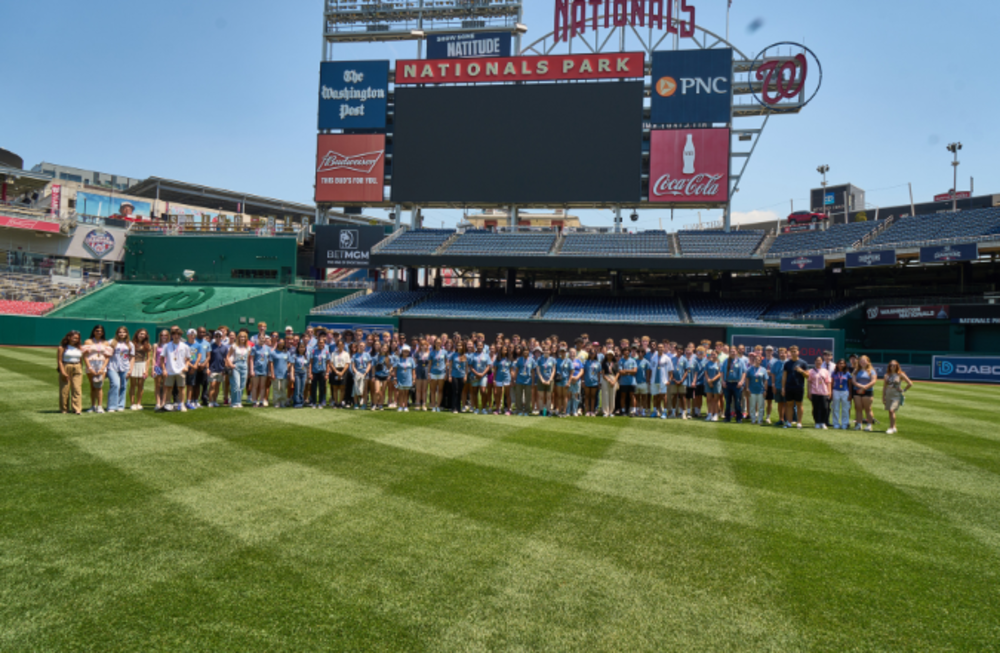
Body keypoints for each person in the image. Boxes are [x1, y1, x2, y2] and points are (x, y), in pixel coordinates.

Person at [162, 326, 191, 412]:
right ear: (171, 335)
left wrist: (186, 366)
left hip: (181, 370)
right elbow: (161, 358)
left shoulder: (185, 346)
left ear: (180, 335)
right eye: (174, 334)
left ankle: (182, 404)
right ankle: (168, 404)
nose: (176, 336)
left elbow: (189, 358)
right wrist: (164, 369)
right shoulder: (166, 346)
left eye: (178, 334)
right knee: (168, 388)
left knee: (181, 388)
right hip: (169, 370)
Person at [105, 326, 133, 413]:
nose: (122, 334)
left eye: (124, 332)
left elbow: (132, 357)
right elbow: (106, 354)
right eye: (120, 332)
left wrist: (130, 369)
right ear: (117, 333)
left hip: (125, 367)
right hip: (112, 366)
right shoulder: (111, 342)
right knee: (115, 384)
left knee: (123, 386)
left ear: (127, 334)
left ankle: (120, 405)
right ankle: (112, 406)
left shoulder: (130, 344)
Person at [83, 325, 110, 413]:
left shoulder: (105, 342)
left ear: (103, 333)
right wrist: (89, 367)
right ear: (94, 331)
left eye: (101, 331)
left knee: (99, 386)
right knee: (92, 386)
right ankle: (93, 406)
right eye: (97, 330)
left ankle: (100, 406)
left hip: (101, 364)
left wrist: (103, 367)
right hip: (91, 364)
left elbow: (107, 356)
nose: (99, 332)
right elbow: (85, 355)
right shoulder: (88, 341)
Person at [781, 346, 809, 429]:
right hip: (789, 387)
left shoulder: (803, 363)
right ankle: (789, 422)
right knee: (789, 404)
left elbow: (807, 376)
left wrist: (801, 371)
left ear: (798, 352)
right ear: (790, 353)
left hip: (799, 387)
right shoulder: (787, 363)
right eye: (792, 351)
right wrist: (783, 388)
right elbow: (784, 377)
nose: (793, 353)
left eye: (795, 351)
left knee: (799, 404)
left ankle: (799, 423)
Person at [57, 330, 84, 415]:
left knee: (77, 389)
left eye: (77, 338)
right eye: (74, 337)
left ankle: (77, 409)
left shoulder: (79, 347)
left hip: (77, 367)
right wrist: (63, 372)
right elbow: (59, 361)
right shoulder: (62, 348)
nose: (75, 340)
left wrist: (80, 368)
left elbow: (80, 360)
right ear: (69, 337)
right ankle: (64, 409)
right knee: (65, 390)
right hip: (66, 366)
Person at [882, 360, 912, 435]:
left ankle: (891, 428)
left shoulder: (900, 374)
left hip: (896, 394)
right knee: (890, 410)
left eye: (894, 365)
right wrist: (883, 396)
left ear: (897, 366)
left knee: (892, 410)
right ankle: (894, 426)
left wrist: (903, 390)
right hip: (889, 393)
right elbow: (884, 387)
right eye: (891, 365)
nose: (892, 366)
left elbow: (910, 383)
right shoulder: (887, 375)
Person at [225, 329, 250, 408]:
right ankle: (233, 402)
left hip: (244, 366)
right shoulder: (234, 346)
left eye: (244, 337)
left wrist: (248, 369)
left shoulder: (248, 347)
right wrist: (230, 364)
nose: (242, 338)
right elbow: (227, 356)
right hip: (236, 365)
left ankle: (239, 402)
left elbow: (248, 359)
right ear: (238, 338)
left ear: (246, 338)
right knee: (236, 385)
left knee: (242, 386)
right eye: (241, 337)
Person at [852, 355, 878, 432]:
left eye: (864, 360)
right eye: (861, 361)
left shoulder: (872, 371)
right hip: (857, 391)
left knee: (868, 408)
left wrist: (864, 387)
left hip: (868, 392)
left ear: (868, 361)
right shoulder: (856, 371)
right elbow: (854, 381)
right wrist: (860, 387)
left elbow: (873, 381)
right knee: (858, 408)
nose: (862, 362)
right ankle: (859, 424)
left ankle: (869, 425)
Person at [722, 347, 747, 424]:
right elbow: (722, 371)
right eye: (731, 351)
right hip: (728, 383)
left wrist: (741, 381)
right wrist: (723, 381)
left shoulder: (741, 361)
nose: (732, 353)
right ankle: (727, 417)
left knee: (737, 401)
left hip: (737, 384)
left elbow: (744, 372)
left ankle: (739, 418)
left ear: (736, 352)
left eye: (734, 351)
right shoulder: (726, 361)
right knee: (728, 401)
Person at [808, 356, 832, 429]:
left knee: (825, 408)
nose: (818, 362)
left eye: (820, 360)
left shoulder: (825, 371)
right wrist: (809, 392)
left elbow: (828, 382)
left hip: (824, 392)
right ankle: (817, 422)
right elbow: (809, 382)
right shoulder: (811, 371)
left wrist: (829, 392)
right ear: (815, 362)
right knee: (816, 408)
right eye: (817, 360)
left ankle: (823, 422)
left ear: (822, 362)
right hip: (815, 392)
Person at [207, 331, 229, 407]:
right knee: (212, 385)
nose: (218, 338)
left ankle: (214, 401)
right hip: (212, 369)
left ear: (222, 337)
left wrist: (224, 369)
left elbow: (226, 359)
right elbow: (208, 358)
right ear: (214, 337)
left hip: (221, 369)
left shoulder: (224, 348)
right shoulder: (211, 346)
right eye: (216, 336)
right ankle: (210, 401)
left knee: (217, 386)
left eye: (219, 336)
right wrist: (208, 368)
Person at [469, 341, 492, 414]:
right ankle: (476, 408)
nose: (479, 347)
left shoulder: (486, 355)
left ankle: (484, 408)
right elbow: (470, 366)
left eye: (481, 345)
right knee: (475, 392)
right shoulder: (472, 355)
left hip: (483, 376)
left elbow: (488, 366)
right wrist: (477, 374)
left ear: (483, 346)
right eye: (478, 345)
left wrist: (482, 374)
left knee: (483, 391)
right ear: (476, 346)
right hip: (474, 376)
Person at [249, 335, 271, 408]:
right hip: (256, 369)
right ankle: (254, 401)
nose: (262, 340)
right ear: (258, 339)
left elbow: (269, 360)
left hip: (264, 369)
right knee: (255, 386)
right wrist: (252, 370)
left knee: (262, 386)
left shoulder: (267, 348)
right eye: (261, 338)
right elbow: (251, 359)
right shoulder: (254, 348)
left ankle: (261, 401)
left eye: (263, 339)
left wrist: (269, 370)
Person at [747, 353, 769, 425]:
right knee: (752, 406)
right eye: (756, 359)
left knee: (761, 407)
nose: (757, 361)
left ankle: (760, 420)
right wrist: (747, 388)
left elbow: (765, 380)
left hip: (761, 391)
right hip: (752, 390)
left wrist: (765, 390)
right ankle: (753, 419)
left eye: (758, 360)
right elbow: (747, 379)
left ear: (760, 361)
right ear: (754, 360)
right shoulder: (750, 369)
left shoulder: (763, 369)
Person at [830, 359, 852, 429]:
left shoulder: (847, 373)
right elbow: (832, 383)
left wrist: (850, 393)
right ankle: (836, 423)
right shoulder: (834, 373)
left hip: (845, 391)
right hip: (836, 391)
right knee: (835, 408)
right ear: (837, 364)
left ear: (845, 364)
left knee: (845, 408)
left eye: (842, 363)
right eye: (839, 363)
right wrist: (831, 392)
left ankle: (844, 424)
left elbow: (850, 384)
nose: (841, 365)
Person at [269, 339, 292, 408]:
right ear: (277, 343)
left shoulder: (287, 353)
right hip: (276, 374)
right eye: (280, 342)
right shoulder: (273, 352)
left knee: (283, 389)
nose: (281, 344)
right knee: (277, 389)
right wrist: (272, 374)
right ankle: (276, 403)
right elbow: (271, 364)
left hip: (284, 374)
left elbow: (289, 362)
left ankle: (282, 403)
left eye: (282, 343)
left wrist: (287, 369)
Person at [448, 341, 469, 415]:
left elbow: (466, 367)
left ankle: (458, 407)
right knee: (455, 391)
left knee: (460, 392)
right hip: (454, 375)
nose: (459, 347)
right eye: (458, 346)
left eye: (460, 346)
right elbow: (450, 366)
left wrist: (466, 376)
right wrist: (449, 375)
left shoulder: (465, 356)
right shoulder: (453, 355)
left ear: (463, 347)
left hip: (462, 376)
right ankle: (454, 407)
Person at [512, 345, 533, 416]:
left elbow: (533, 372)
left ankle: (527, 411)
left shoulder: (531, 360)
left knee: (528, 397)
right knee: (518, 396)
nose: (525, 352)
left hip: (528, 381)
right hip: (519, 380)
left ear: (528, 352)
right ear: (523, 352)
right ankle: (519, 410)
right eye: (524, 351)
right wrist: (514, 380)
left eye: (527, 350)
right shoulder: (520, 359)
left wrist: (532, 382)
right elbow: (517, 370)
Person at [393, 345, 415, 411]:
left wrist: (413, 378)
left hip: (408, 378)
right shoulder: (398, 359)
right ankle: (400, 406)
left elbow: (413, 370)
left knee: (406, 393)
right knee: (401, 392)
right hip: (400, 378)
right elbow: (395, 369)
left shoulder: (411, 359)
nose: (406, 352)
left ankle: (405, 406)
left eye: (407, 351)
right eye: (404, 351)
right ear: (402, 352)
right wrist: (395, 378)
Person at [428, 339, 448, 413]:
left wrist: (446, 373)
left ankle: (438, 406)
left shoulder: (444, 352)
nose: (438, 344)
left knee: (440, 390)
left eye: (439, 343)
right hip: (433, 373)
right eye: (437, 343)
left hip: (442, 373)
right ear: (434, 343)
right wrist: (428, 374)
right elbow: (429, 364)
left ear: (441, 343)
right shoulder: (432, 352)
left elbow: (446, 363)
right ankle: (433, 406)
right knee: (433, 390)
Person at [492, 345, 513, 416]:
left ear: (507, 351)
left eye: (506, 350)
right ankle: (498, 409)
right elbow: (495, 370)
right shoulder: (497, 359)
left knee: (507, 394)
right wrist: (494, 380)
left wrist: (512, 380)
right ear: (501, 351)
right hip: (498, 378)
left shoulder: (509, 359)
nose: (504, 351)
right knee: (498, 394)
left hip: (507, 378)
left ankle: (509, 410)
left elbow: (511, 370)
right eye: (503, 350)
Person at [329, 340, 350, 408]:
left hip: (343, 370)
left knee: (342, 388)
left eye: (341, 344)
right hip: (335, 370)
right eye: (339, 344)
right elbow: (331, 363)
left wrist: (342, 372)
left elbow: (347, 364)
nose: (340, 346)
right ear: (337, 346)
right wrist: (336, 371)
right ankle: (335, 403)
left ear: (344, 345)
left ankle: (340, 403)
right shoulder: (333, 353)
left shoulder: (346, 354)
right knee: (335, 388)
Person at [350, 342, 372, 409]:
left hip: (365, 374)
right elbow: (353, 366)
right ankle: (356, 404)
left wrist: (365, 373)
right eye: (360, 346)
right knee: (356, 389)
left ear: (364, 347)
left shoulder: (367, 355)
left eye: (362, 346)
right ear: (358, 346)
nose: (361, 347)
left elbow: (369, 365)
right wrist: (357, 373)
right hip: (357, 374)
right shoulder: (354, 355)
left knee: (364, 390)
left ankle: (364, 404)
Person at [536, 345, 556, 417]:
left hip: (550, 380)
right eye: (545, 350)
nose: (546, 351)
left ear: (550, 351)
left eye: (547, 350)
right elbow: (538, 370)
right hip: (541, 380)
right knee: (541, 397)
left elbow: (553, 370)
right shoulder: (539, 359)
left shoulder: (553, 359)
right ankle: (541, 411)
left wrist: (550, 380)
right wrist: (542, 380)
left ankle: (548, 411)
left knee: (548, 397)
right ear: (543, 351)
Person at [703, 351, 722, 422]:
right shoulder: (707, 363)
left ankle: (716, 414)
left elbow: (720, 373)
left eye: (714, 354)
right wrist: (709, 381)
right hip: (708, 383)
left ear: (717, 355)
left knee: (715, 400)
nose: (713, 355)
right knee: (709, 399)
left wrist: (712, 380)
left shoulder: (719, 363)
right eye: (712, 354)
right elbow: (705, 373)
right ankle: (710, 414)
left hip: (716, 383)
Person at [153, 330, 170, 411]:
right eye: (162, 335)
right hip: (158, 367)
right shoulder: (156, 345)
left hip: (167, 367)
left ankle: (163, 403)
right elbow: (153, 357)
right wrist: (153, 368)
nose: (164, 336)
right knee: (157, 385)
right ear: (160, 336)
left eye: (165, 335)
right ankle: (158, 403)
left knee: (165, 386)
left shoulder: (170, 345)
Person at [618, 347, 638, 417]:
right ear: (623, 352)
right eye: (625, 351)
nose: (627, 352)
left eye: (628, 351)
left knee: (632, 396)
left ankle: (633, 411)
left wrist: (625, 371)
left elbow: (635, 371)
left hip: (632, 382)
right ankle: (623, 411)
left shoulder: (633, 361)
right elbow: (620, 372)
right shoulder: (620, 361)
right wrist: (630, 371)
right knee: (623, 396)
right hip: (623, 382)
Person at [582, 347, 601, 417]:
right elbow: (583, 372)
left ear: (596, 354)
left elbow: (599, 373)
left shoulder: (598, 363)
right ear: (589, 354)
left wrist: (599, 382)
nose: (592, 354)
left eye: (593, 353)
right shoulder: (585, 362)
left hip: (595, 382)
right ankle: (587, 411)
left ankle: (592, 411)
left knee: (593, 397)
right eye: (591, 353)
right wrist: (582, 381)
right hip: (587, 381)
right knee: (587, 396)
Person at [291, 341, 310, 408]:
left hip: (304, 374)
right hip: (297, 374)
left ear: (305, 348)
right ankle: (296, 402)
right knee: (297, 389)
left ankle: (301, 402)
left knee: (302, 389)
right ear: (298, 348)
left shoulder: (306, 356)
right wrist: (292, 375)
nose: (302, 349)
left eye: (303, 347)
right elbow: (292, 366)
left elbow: (307, 366)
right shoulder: (295, 356)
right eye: (300, 347)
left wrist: (308, 375)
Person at [372, 344, 391, 410]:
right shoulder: (376, 357)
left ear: (387, 349)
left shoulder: (389, 357)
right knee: (377, 391)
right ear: (380, 348)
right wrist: (373, 376)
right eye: (383, 348)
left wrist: (389, 373)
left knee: (383, 391)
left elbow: (391, 366)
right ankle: (374, 404)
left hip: (385, 376)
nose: (384, 349)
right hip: (377, 375)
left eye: (385, 348)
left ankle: (380, 405)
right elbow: (373, 367)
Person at [600, 351, 618, 418]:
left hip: (613, 378)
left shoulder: (615, 363)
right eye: (608, 355)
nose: (609, 356)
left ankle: (611, 411)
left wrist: (614, 381)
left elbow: (618, 373)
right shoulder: (604, 363)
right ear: (606, 355)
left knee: (612, 395)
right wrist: (609, 380)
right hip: (605, 379)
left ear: (613, 356)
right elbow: (603, 373)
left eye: (611, 355)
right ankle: (605, 412)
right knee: (605, 395)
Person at [414, 341, 430, 411]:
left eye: (425, 345)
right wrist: (414, 374)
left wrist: (429, 373)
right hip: (419, 371)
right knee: (418, 389)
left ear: (427, 346)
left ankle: (424, 404)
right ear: (420, 346)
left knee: (424, 389)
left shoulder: (429, 354)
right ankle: (417, 404)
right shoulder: (417, 353)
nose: (424, 346)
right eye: (422, 345)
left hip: (426, 371)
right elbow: (414, 364)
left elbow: (430, 364)